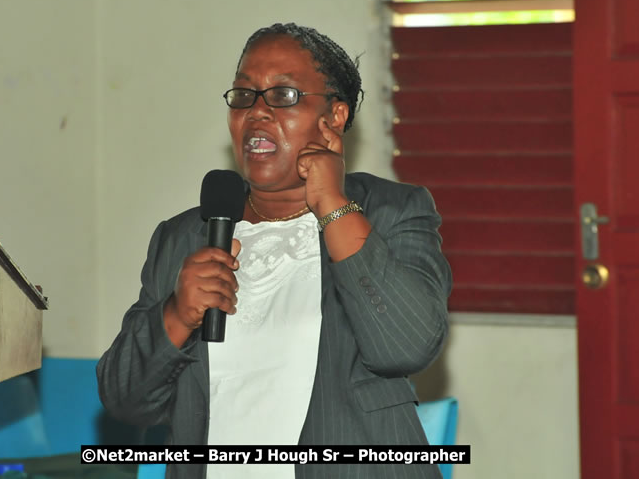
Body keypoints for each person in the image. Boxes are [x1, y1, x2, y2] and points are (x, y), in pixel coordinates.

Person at [97, 23, 452, 479]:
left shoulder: (390, 211)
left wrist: (332, 205)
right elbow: (125, 401)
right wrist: (177, 314)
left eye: (282, 95)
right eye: (244, 96)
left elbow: (405, 347)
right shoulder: (185, 236)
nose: (257, 113)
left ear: (336, 116)